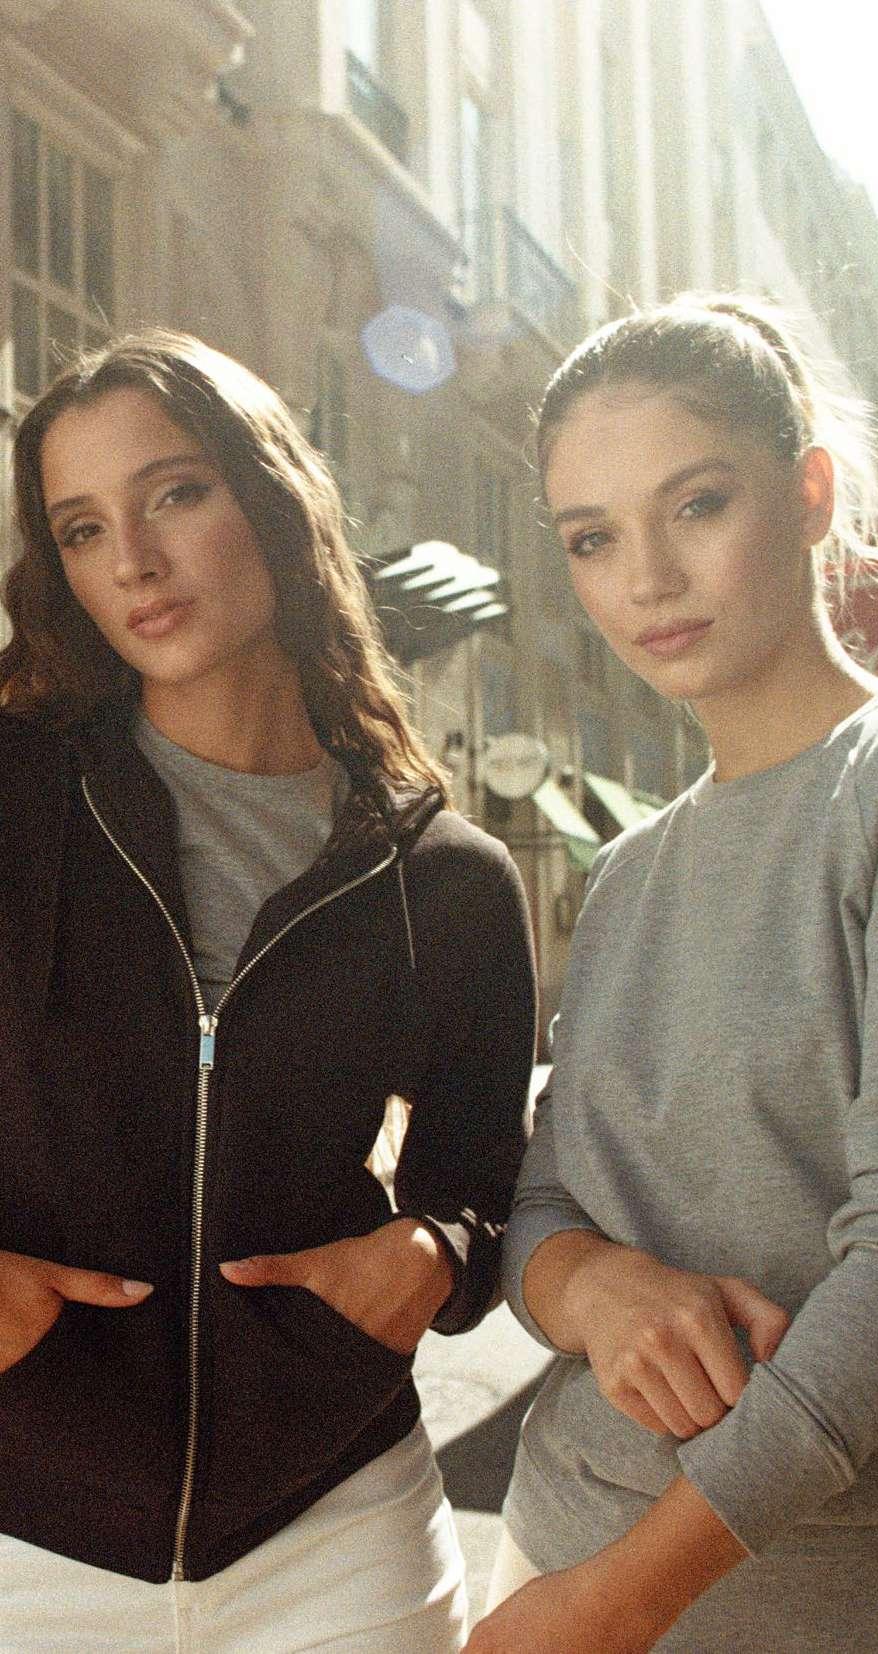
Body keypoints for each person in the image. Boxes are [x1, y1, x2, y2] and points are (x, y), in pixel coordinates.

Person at [467, 295, 878, 1654]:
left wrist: (619, 1600)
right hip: (556, 1536)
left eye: (697, 505)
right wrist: (594, 1286)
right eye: (593, 538)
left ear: (812, 492)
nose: (647, 577)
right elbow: (542, 1203)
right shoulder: (629, 870)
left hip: (851, 1602)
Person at [0, 331, 536, 1652]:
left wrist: (433, 1255)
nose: (133, 561)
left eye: (175, 493)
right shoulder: (14, 795)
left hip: (338, 1530)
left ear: (273, 496)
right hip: (26, 1535)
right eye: (82, 529)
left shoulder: (445, 879)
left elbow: (483, 1181)